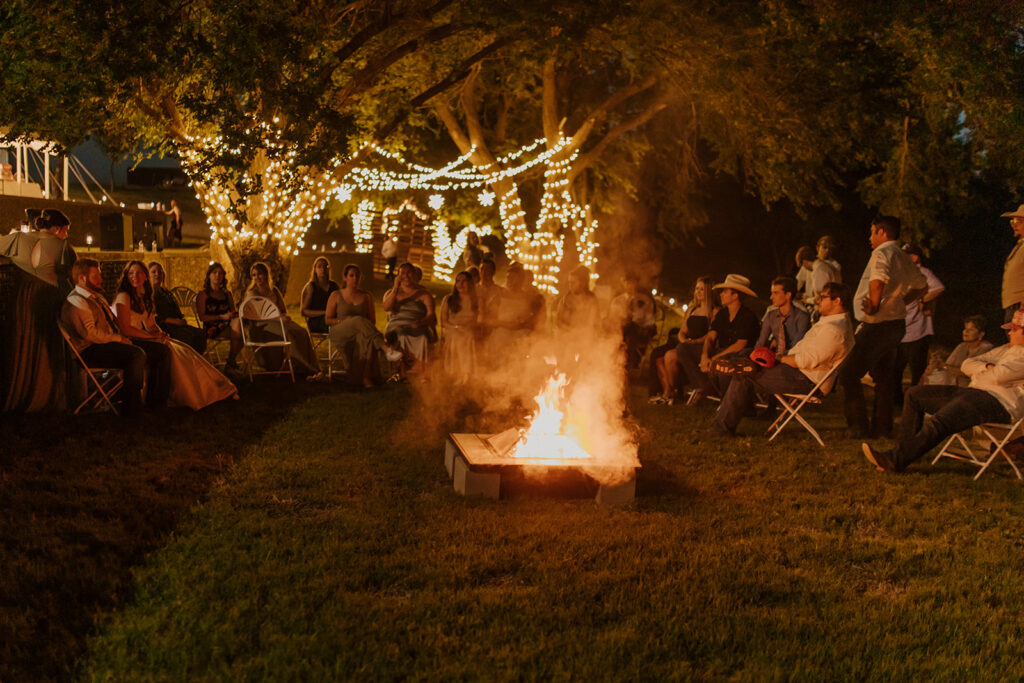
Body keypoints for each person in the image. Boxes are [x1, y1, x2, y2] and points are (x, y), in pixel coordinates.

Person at [863, 308, 1024, 474]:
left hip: (999, 403)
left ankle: (894, 460)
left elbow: (996, 377)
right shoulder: (1004, 349)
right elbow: (967, 364)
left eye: (1014, 329)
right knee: (914, 394)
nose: (1010, 333)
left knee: (942, 419)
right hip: (973, 392)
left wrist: (981, 373)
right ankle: (904, 452)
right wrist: (987, 367)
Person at [711, 282, 855, 436]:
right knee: (747, 359)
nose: (818, 300)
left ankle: (721, 429)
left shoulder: (834, 330)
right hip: (799, 372)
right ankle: (739, 367)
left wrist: (777, 358)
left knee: (744, 375)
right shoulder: (832, 323)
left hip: (806, 380)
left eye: (823, 297)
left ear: (837, 300)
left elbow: (804, 360)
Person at [839, 216, 927, 438]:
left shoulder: (882, 253)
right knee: (884, 378)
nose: (870, 238)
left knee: (849, 373)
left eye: (872, 233)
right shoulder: (903, 257)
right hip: (896, 325)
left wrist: (874, 306)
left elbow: (877, 280)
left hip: (877, 325)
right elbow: (922, 286)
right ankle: (882, 428)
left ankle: (858, 427)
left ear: (882, 232)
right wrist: (901, 302)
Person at [114, 261, 236, 409]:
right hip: (130, 339)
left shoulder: (144, 296)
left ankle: (203, 388)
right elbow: (125, 329)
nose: (134, 276)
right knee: (165, 351)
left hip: (145, 337)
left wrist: (159, 332)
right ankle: (159, 400)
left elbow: (150, 323)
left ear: (145, 277)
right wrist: (152, 337)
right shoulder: (124, 296)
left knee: (182, 349)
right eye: (131, 273)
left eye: (139, 273)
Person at [0, 209, 77, 411]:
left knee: (22, 343)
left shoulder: (17, 238)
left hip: (22, 299)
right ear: (59, 229)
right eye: (66, 231)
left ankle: (20, 392)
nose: (66, 235)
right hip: (46, 299)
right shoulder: (63, 246)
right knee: (46, 346)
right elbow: (69, 277)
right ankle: (45, 394)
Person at [61, 259, 148, 416]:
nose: (100, 280)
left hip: (106, 343)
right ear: (81, 278)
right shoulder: (76, 301)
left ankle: (155, 401)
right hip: (89, 351)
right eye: (96, 276)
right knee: (135, 354)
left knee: (157, 349)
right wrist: (118, 339)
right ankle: (131, 409)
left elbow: (112, 322)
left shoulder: (97, 297)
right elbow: (90, 334)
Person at [678, 274, 760, 402]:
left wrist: (714, 358)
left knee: (724, 364)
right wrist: (705, 356)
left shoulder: (748, 316)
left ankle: (723, 397)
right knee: (683, 348)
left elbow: (740, 345)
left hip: (738, 357)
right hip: (720, 352)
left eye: (725, 291)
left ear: (735, 295)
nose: (721, 294)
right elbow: (710, 337)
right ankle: (704, 387)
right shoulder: (722, 314)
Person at [244, 261, 319, 375]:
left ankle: (313, 364)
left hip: (279, 319)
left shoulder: (273, 290)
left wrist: (283, 316)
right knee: (288, 333)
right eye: (254, 275)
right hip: (263, 324)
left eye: (259, 274)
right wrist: (278, 318)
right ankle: (305, 366)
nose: (257, 277)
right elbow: (258, 315)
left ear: (265, 275)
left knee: (302, 332)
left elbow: (282, 308)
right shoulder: (252, 293)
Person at [324, 264, 394, 387]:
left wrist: (359, 326)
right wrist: (344, 322)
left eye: (357, 276)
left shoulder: (367, 296)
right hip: (340, 329)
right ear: (345, 277)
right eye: (351, 275)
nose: (355, 278)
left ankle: (365, 378)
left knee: (365, 338)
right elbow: (327, 319)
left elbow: (371, 321)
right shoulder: (336, 295)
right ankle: (385, 348)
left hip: (362, 331)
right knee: (356, 320)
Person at [653, 276, 718, 404]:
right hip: (686, 344)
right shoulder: (692, 309)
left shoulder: (714, 311)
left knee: (670, 356)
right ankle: (671, 393)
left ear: (709, 292)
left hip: (702, 346)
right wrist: (683, 340)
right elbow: (682, 331)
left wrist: (697, 341)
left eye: (702, 289)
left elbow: (712, 333)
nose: (698, 292)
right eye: (697, 289)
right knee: (663, 358)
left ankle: (672, 394)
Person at [894, 243, 944, 402]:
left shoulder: (922, 272)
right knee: (896, 368)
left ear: (914, 257)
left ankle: (916, 401)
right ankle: (898, 400)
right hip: (902, 330)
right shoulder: (902, 273)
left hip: (918, 332)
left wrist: (922, 299)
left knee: (917, 370)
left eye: (905, 255)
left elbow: (939, 287)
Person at [383, 261, 437, 377]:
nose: (406, 276)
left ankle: (421, 370)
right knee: (401, 335)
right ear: (398, 276)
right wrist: (396, 288)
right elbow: (386, 307)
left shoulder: (424, 294)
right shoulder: (391, 293)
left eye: (409, 273)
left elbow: (431, 315)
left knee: (422, 337)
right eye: (403, 273)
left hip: (416, 325)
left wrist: (422, 322)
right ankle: (402, 371)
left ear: (415, 275)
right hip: (396, 326)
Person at [148, 261, 206, 353]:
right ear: (148, 275)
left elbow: (176, 310)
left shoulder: (166, 292)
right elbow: (153, 317)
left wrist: (181, 319)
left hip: (176, 324)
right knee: (189, 337)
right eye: (153, 272)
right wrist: (174, 321)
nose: (157, 274)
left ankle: (196, 361)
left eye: (160, 272)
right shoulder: (148, 294)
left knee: (200, 333)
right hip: (163, 327)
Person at [921, 315, 993, 387]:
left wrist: (944, 366)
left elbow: (970, 372)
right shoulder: (963, 346)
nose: (966, 332)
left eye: (971, 330)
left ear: (981, 334)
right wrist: (936, 365)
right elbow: (949, 364)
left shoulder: (986, 349)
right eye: (965, 328)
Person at [196, 262, 242, 370]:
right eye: (214, 273)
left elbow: (232, 312)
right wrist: (222, 317)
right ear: (209, 276)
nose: (217, 275)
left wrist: (234, 314)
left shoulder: (227, 294)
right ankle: (231, 362)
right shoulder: (203, 295)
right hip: (212, 327)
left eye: (220, 273)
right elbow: (202, 317)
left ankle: (231, 361)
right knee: (241, 336)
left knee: (238, 323)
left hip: (228, 324)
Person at [608, 275, 657, 371]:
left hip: (640, 329)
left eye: (632, 282)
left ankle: (628, 364)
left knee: (630, 327)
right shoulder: (618, 300)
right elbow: (612, 317)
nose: (630, 285)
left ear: (637, 283)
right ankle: (608, 362)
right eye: (627, 282)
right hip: (619, 329)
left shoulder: (644, 300)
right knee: (614, 328)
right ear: (623, 284)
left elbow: (648, 320)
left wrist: (634, 320)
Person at [755, 276, 811, 356]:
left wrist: (781, 357)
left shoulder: (802, 317)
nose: (771, 297)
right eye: (772, 293)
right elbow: (761, 342)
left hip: (794, 357)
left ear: (788, 295)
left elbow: (797, 345)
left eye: (776, 293)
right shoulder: (771, 315)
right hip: (776, 356)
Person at [440, 271, 479, 383]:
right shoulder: (449, 299)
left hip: (468, 329)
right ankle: (457, 372)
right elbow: (443, 322)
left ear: (470, 284)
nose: (460, 284)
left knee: (468, 336)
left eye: (464, 281)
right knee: (457, 337)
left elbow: (478, 320)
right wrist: (456, 327)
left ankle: (465, 373)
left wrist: (467, 327)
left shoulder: (475, 300)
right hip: (452, 328)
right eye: (458, 281)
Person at [300, 256, 339, 334]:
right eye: (319, 266)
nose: (323, 269)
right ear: (315, 269)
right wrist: (325, 312)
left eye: (325, 266)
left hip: (333, 318)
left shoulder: (334, 286)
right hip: (316, 321)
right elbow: (303, 311)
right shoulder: (311, 287)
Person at [1000, 204, 1024, 322]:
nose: (1014, 224)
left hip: (1020, 306)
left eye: (1019, 221)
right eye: (1013, 221)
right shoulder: (1020, 246)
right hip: (1014, 305)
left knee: (1018, 338)